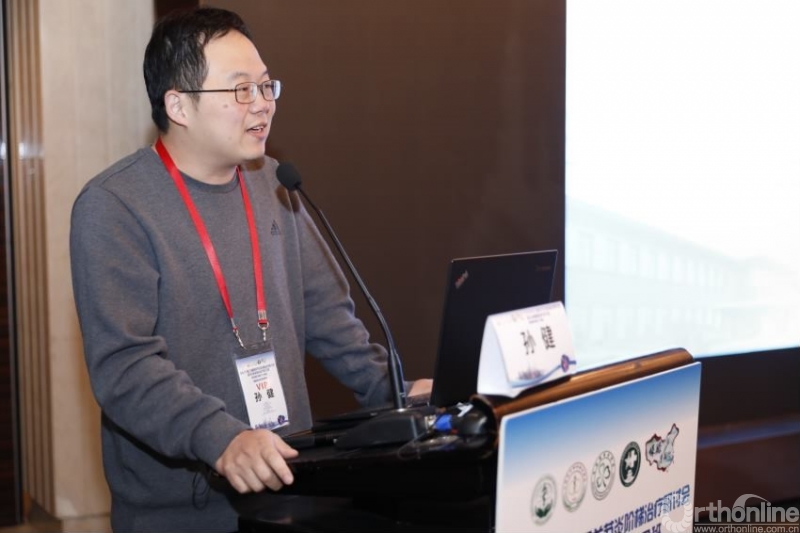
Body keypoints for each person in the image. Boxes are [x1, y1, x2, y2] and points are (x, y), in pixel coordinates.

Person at [70, 7, 430, 532]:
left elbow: (330, 318)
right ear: (178, 105)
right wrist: (222, 437)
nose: (262, 104)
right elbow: (125, 366)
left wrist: (395, 389)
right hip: (183, 511)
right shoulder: (115, 205)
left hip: (293, 483)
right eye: (241, 90)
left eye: (266, 86)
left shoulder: (273, 184)